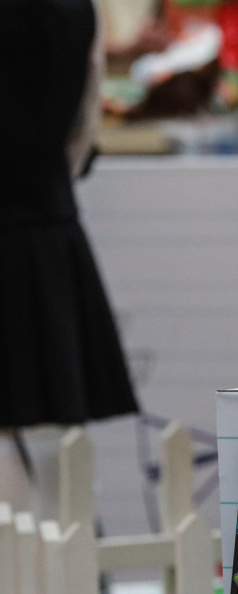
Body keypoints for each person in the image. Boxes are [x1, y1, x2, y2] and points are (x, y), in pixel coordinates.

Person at [0, 0, 140, 513]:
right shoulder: (78, 7)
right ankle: (70, 552)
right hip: (46, 220)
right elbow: (84, 125)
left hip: (34, 218)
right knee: (54, 420)